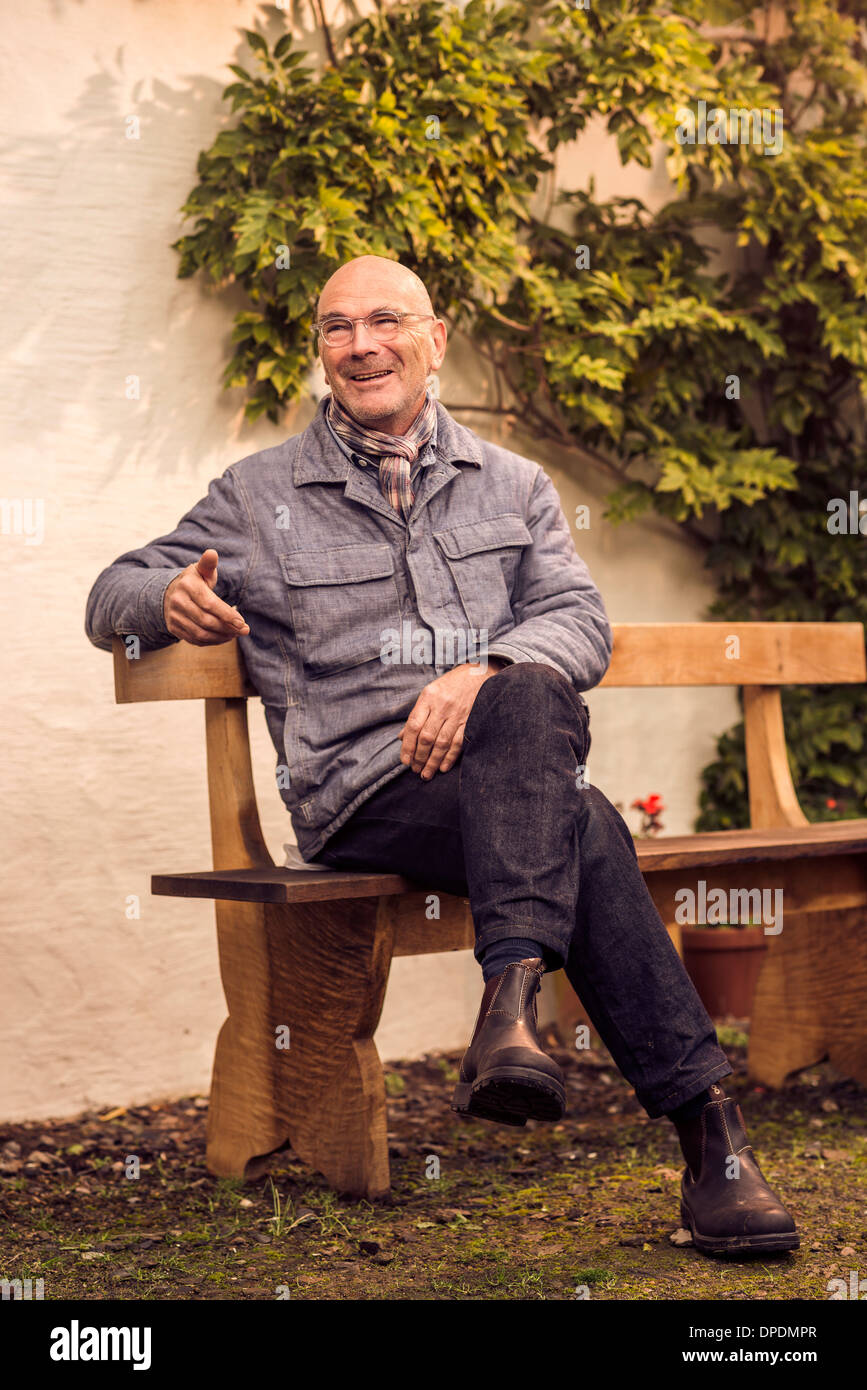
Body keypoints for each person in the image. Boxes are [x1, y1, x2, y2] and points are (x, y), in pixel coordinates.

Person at [85, 254, 798, 1257]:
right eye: (338, 327)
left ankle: (515, 1010)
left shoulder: (512, 483)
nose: (362, 343)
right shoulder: (258, 496)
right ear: (323, 351)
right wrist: (162, 601)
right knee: (572, 801)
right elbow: (110, 592)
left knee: (547, 747)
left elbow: (575, 617)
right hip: (362, 796)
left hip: (502, 778)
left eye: (385, 320)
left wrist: (480, 673)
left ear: (437, 340)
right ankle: (704, 1138)